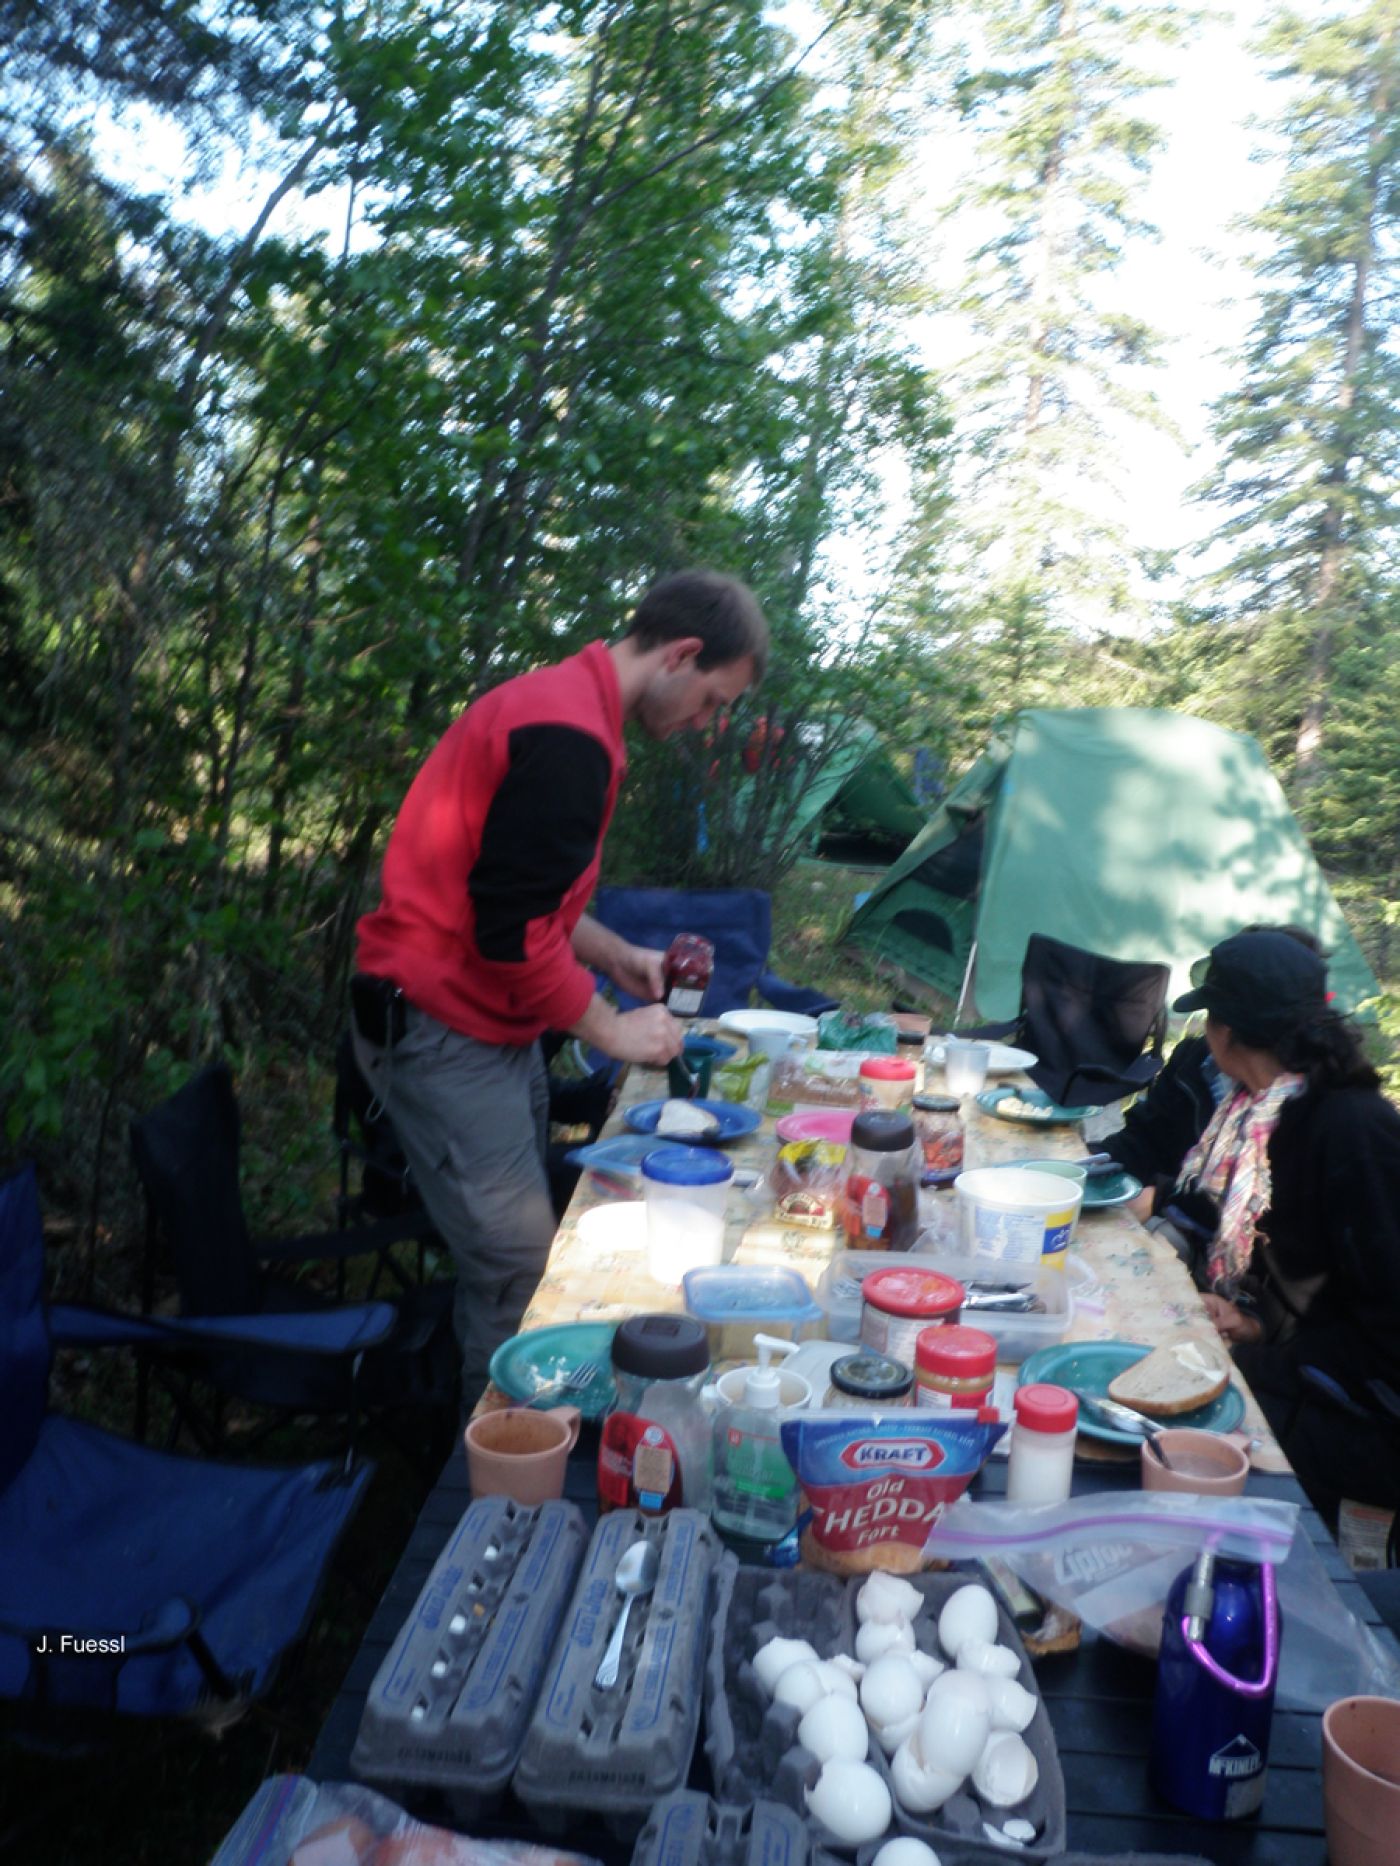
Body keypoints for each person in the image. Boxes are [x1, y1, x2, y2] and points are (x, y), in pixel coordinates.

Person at [351, 569, 768, 1411]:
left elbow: (517, 893)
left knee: (528, 1260)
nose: (706, 723)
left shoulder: (565, 708)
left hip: (484, 1027)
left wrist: (612, 953)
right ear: (682, 654)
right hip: (439, 1031)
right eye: (714, 700)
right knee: (516, 1277)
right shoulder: (568, 735)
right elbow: (507, 933)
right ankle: (502, 1483)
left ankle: (529, 1439)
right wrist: (613, 1031)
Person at [1162, 929, 1400, 1520]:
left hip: (1373, 1416)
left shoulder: (1352, 1133)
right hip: (1324, 1367)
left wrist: (1260, 1360)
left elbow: (1388, 1332)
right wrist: (1253, 1320)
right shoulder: (1264, 1116)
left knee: (1172, 1430)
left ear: (1226, 1032)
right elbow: (1312, 1282)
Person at [1102, 923, 1324, 1231]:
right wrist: (1086, 1168)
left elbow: (1274, 1214)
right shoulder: (1195, 1062)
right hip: (1176, 1222)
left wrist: (1164, 1199)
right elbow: (1143, 1139)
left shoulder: (1319, 1107)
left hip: (1217, 1246)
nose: (1207, 1024)